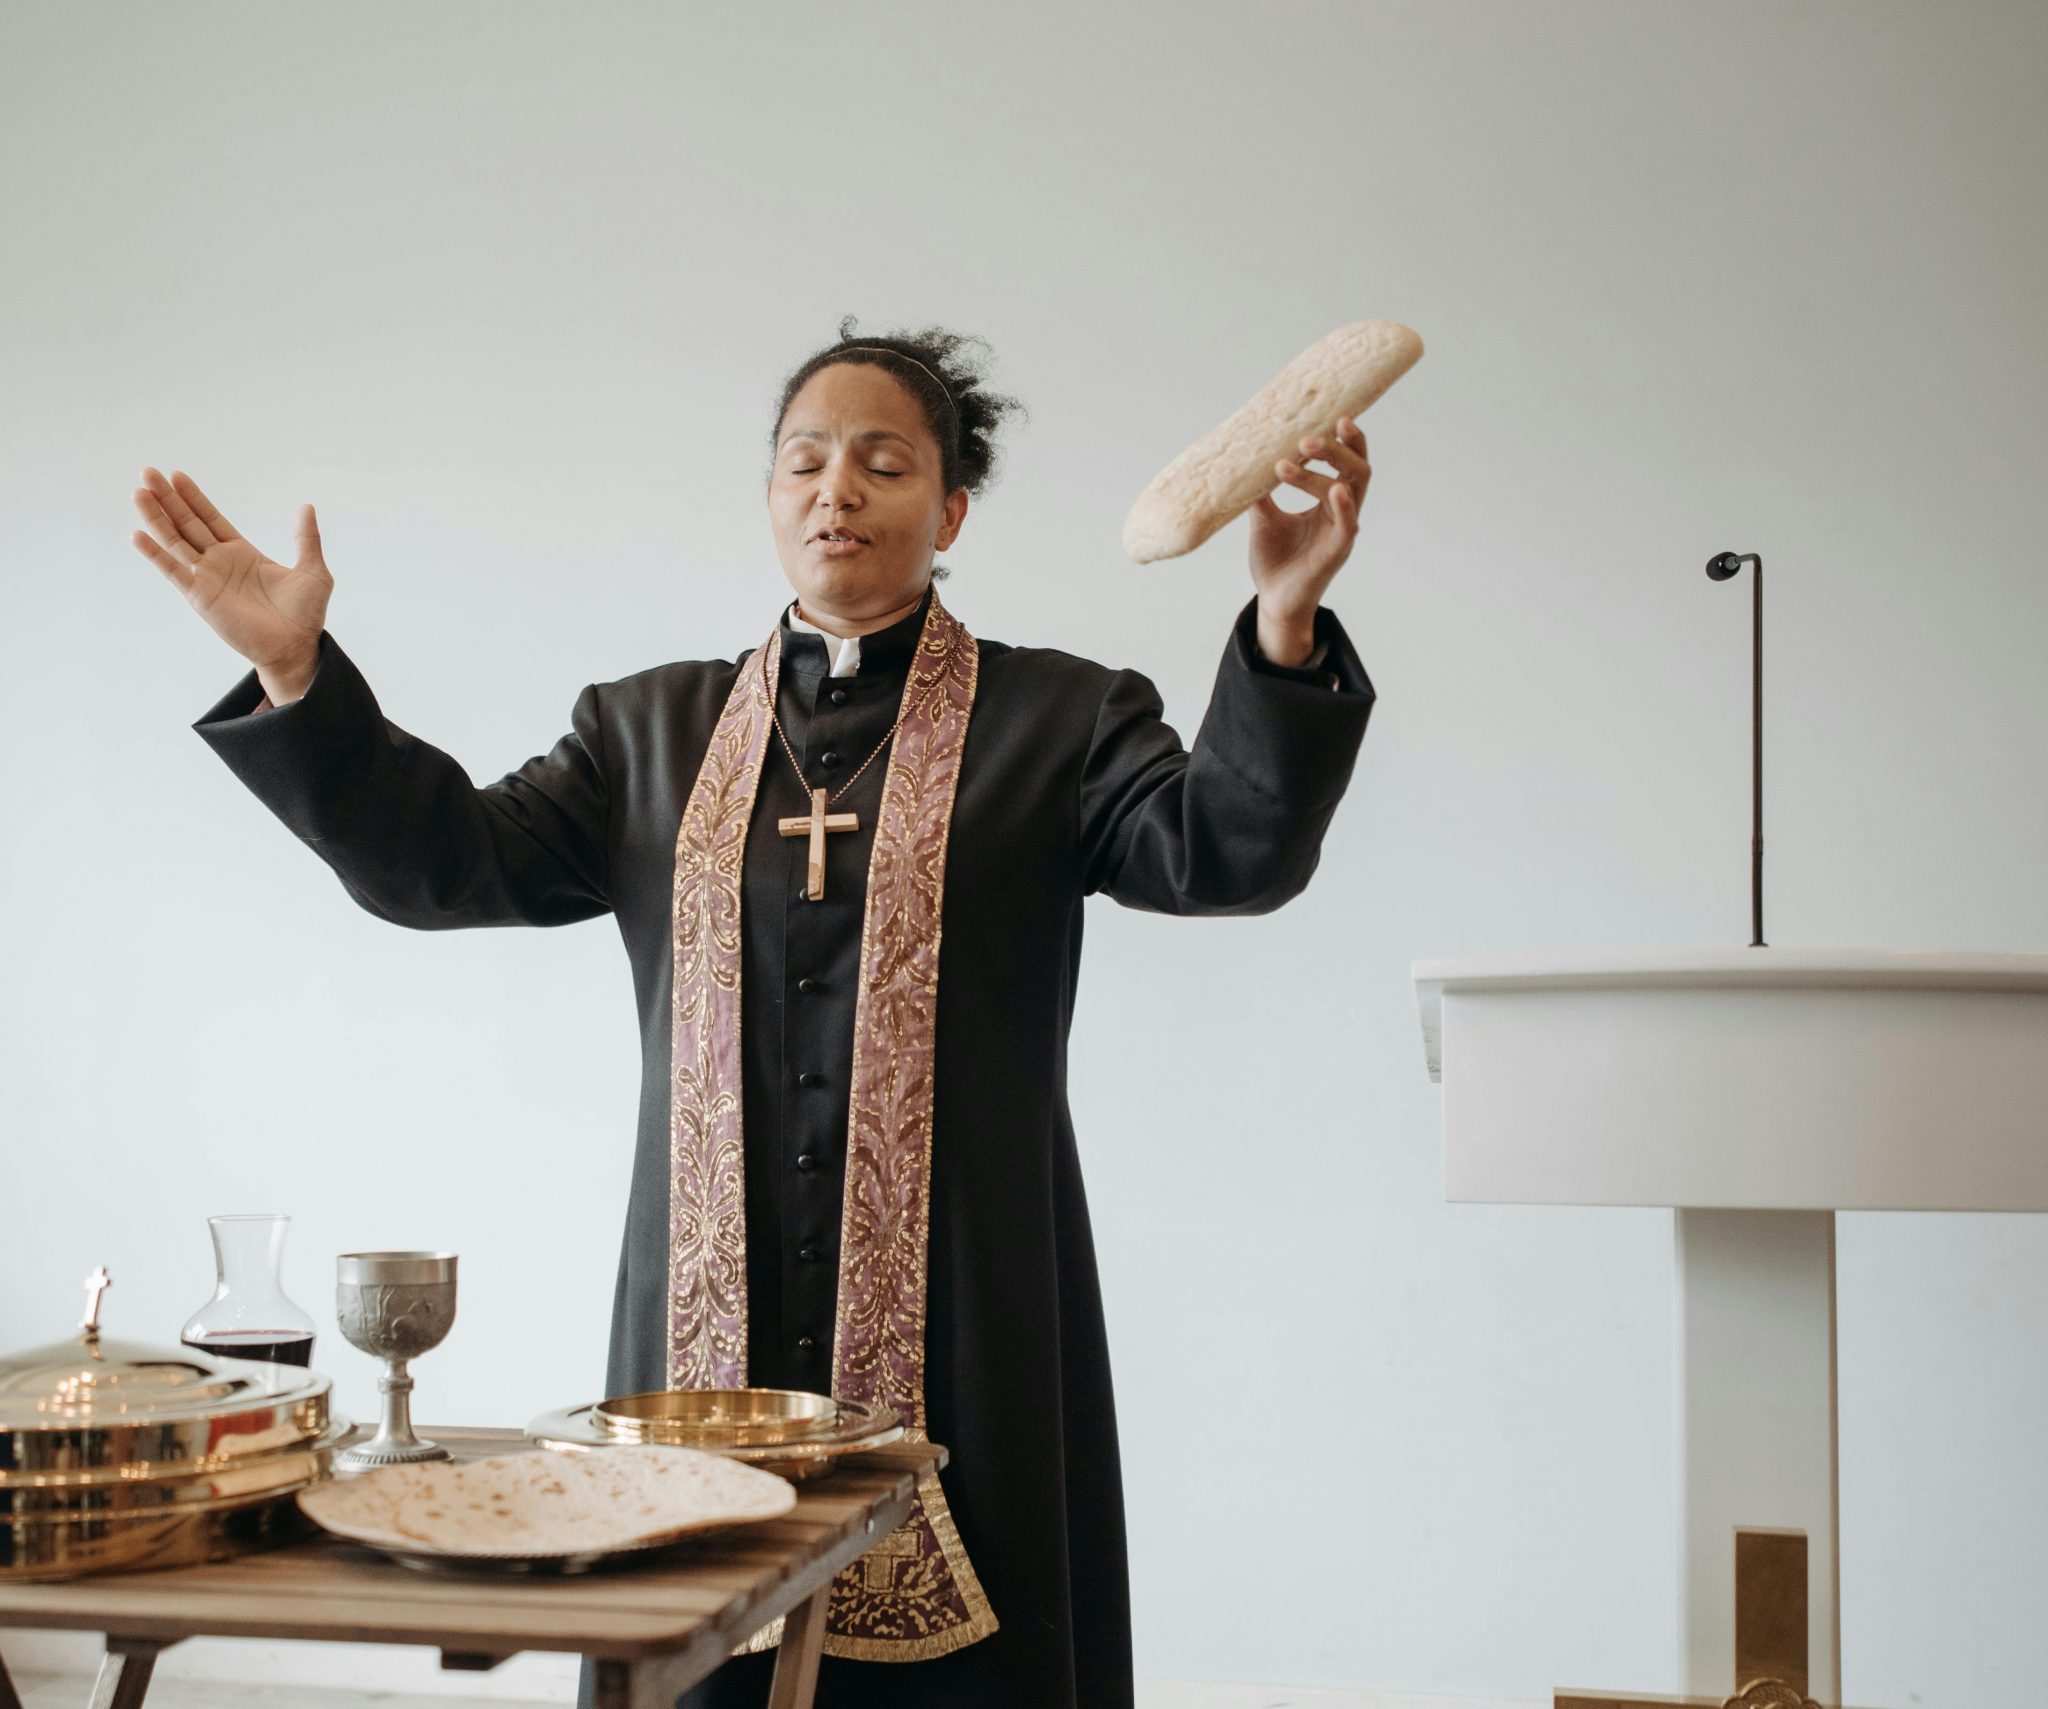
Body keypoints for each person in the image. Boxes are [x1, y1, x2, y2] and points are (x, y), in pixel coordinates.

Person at [130, 319, 1378, 1708]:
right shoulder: (648, 734)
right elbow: (445, 865)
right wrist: (301, 681)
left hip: (969, 1320)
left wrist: (1283, 624)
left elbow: (1230, 851)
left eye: (883, 462)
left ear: (951, 506)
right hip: (696, 1341)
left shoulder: (1059, 720)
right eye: (804, 462)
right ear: (770, 496)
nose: (835, 490)